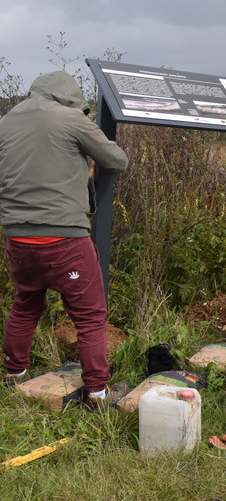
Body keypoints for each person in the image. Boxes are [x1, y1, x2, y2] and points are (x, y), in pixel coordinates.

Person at [0, 71, 128, 407]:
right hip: (64, 237)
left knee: (26, 304)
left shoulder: (7, 120)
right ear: (70, 96)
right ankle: (98, 393)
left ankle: (13, 376)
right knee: (89, 316)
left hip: (17, 238)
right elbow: (117, 160)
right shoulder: (71, 118)